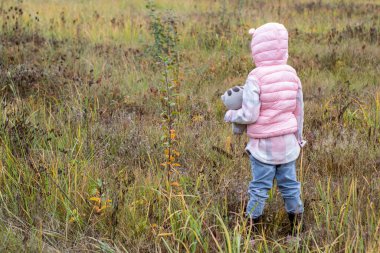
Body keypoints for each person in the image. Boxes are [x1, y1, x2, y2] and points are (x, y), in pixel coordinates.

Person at [224, 23, 306, 235]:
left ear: (257, 49)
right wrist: (298, 137)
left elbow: (250, 114)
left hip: (263, 147)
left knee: (259, 188)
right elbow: (299, 110)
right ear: (284, 48)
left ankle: (252, 236)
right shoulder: (292, 73)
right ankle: (297, 234)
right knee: (290, 186)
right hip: (288, 144)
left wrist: (232, 115)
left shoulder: (255, 76)